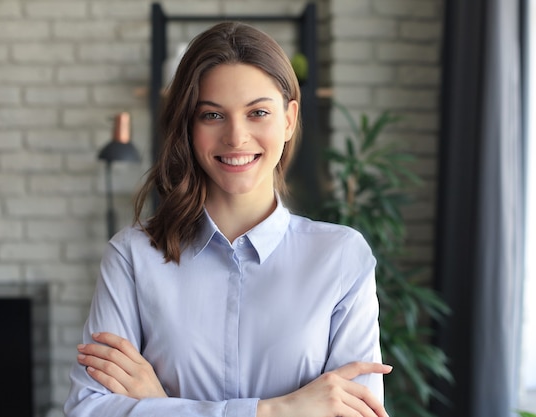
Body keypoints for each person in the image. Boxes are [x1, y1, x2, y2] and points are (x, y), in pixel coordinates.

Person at [64, 21, 391, 417]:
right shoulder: (133, 257)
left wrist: (160, 406)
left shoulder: (341, 257)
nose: (236, 137)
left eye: (258, 112)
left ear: (288, 120)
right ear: (187, 125)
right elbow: (88, 410)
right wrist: (274, 411)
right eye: (213, 116)